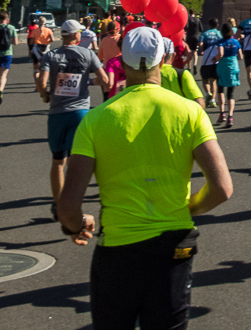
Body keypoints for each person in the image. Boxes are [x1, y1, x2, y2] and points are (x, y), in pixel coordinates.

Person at [58, 26, 233, 330]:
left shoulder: (96, 119)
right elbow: (222, 188)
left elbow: (68, 205)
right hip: (174, 242)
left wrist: (77, 224)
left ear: (122, 63)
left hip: (118, 249)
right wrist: (188, 206)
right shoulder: (190, 112)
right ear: (163, 60)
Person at [37, 20, 109, 219]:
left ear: (63, 36)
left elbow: (42, 82)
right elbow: (105, 80)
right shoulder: (87, 54)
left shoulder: (50, 55)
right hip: (80, 112)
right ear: (77, 36)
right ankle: (75, 201)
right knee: (80, 161)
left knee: (58, 161)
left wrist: (45, 96)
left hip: (57, 113)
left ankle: (57, 203)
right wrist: (87, 81)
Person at [160, 38, 206, 107]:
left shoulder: (147, 75)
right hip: (179, 69)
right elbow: (199, 103)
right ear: (173, 56)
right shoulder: (183, 74)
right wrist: (185, 62)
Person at [216, 23, 241, 128]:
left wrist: (214, 59)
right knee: (230, 94)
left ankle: (222, 113)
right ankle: (230, 116)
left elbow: (220, 54)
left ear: (222, 32)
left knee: (220, 89)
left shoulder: (221, 42)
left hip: (222, 66)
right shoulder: (236, 42)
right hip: (233, 66)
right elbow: (240, 56)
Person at [199, 18, 223, 108]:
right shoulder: (220, 34)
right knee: (214, 81)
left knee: (205, 80)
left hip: (206, 60)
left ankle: (208, 93)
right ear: (217, 25)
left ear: (209, 25)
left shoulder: (204, 34)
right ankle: (213, 100)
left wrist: (203, 48)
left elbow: (201, 46)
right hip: (216, 60)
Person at [31, 16, 54, 88]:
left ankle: (37, 86)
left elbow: (31, 41)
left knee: (36, 70)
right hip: (46, 48)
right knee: (45, 68)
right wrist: (47, 41)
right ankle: (44, 84)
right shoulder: (49, 30)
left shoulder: (34, 31)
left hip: (36, 49)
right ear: (45, 22)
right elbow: (52, 39)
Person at [186, 9, 203, 74]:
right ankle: (195, 64)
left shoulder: (188, 19)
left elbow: (186, 27)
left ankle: (189, 66)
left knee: (189, 52)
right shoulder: (198, 20)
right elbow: (201, 29)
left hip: (189, 37)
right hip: (196, 37)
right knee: (195, 52)